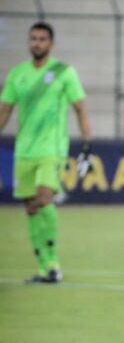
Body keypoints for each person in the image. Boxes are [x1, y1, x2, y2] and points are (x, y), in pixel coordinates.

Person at [0, 21, 92, 283]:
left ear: (51, 44)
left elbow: (80, 108)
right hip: (24, 151)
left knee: (44, 198)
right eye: (34, 39)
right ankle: (43, 267)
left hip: (52, 149)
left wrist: (87, 145)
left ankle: (53, 264)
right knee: (30, 207)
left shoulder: (63, 72)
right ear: (29, 42)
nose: (37, 43)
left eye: (42, 39)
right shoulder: (18, 74)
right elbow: (5, 111)